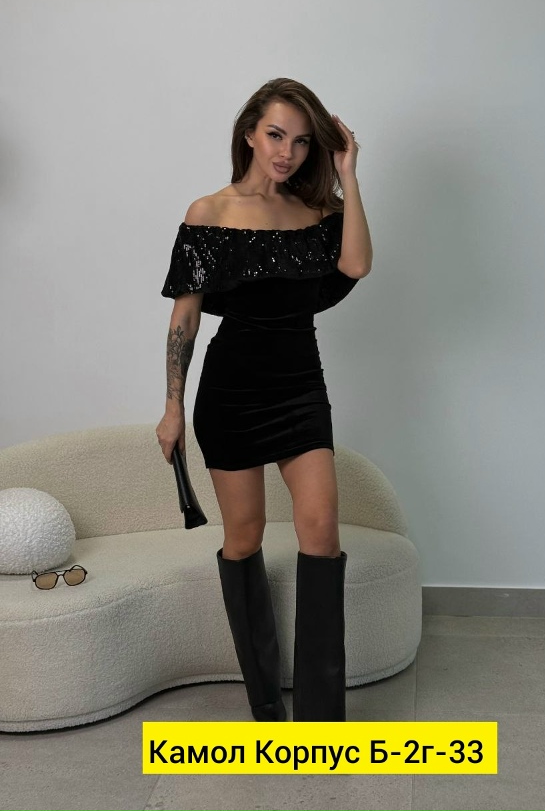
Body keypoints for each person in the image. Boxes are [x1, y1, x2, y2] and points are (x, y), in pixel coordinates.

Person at [156, 77, 372, 722]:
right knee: (244, 537)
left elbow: (357, 265)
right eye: (276, 135)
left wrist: (348, 173)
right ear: (249, 133)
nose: (287, 152)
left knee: (321, 531)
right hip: (231, 394)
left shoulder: (318, 213)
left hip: (301, 389)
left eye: (301, 142)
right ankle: (265, 703)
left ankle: (322, 724)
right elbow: (185, 318)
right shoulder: (209, 211)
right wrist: (172, 407)